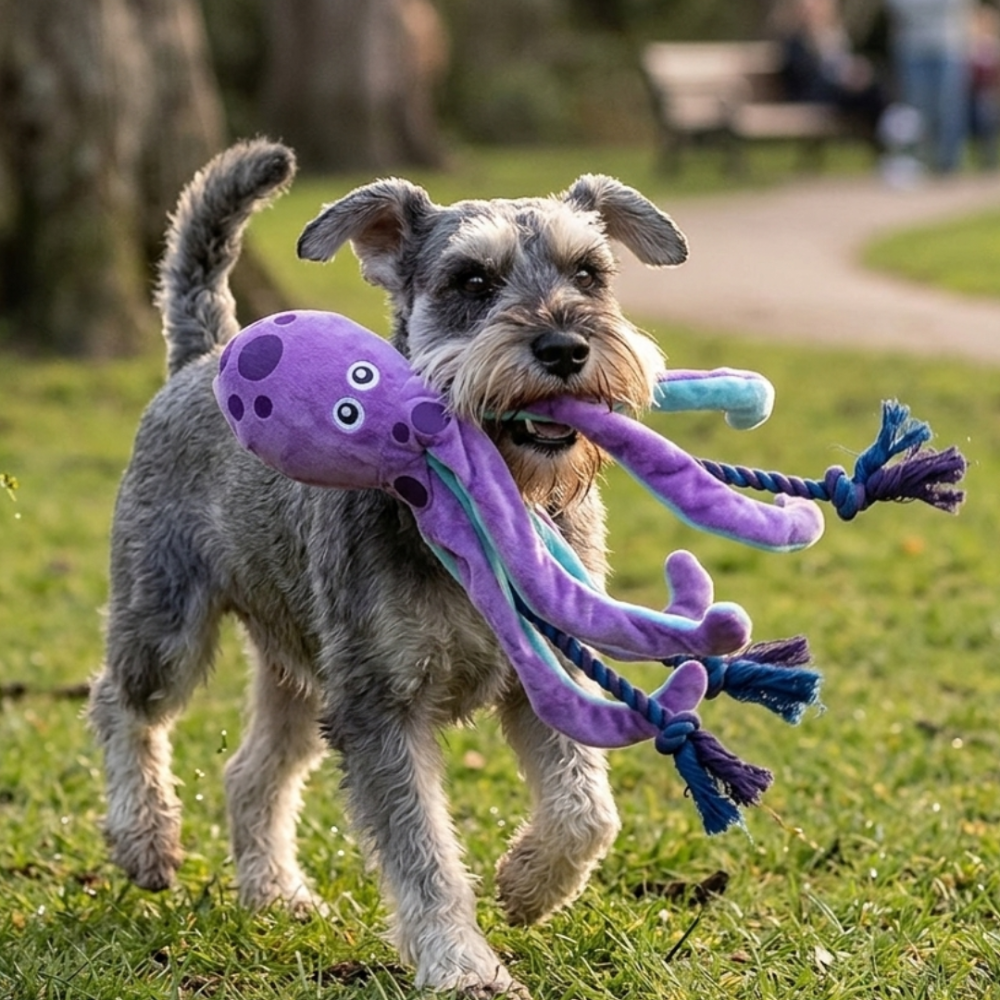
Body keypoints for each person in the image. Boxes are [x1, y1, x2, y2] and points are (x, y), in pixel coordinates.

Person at [772, 0, 887, 139]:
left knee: (872, 88)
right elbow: (803, 75)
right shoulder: (794, 40)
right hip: (811, 97)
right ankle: (888, 138)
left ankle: (888, 135)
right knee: (865, 94)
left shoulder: (835, 34)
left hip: (837, 93)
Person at [885, 0, 975, 173]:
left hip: (948, 47)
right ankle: (919, 161)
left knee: (948, 106)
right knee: (917, 108)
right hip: (911, 47)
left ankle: (948, 162)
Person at [968, 2, 1000, 169]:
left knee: (985, 110)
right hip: (970, 94)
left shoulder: (994, 46)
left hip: (987, 94)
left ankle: (988, 157)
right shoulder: (969, 47)